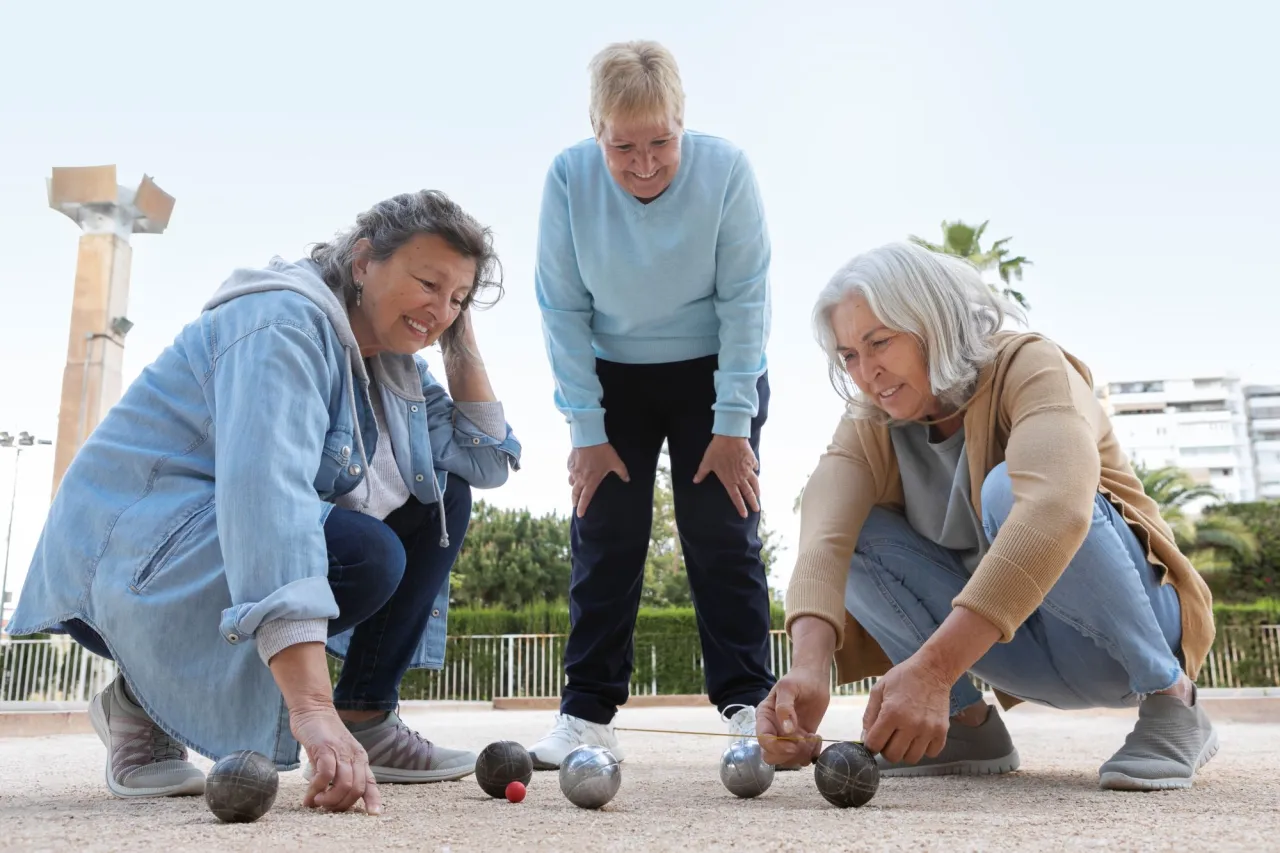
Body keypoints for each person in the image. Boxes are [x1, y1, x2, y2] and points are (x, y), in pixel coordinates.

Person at [7, 190, 522, 814]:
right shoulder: (282, 324)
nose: (439, 308)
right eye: (427, 283)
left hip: (209, 550)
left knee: (439, 496)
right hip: (125, 566)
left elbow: (486, 459)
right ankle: (138, 703)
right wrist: (310, 709)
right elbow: (268, 503)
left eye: (458, 298)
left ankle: (366, 717)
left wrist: (458, 338)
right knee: (365, 553)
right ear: (363, 262)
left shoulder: (397, 368)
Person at [756, 242, 1218, 791]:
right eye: (849, 355)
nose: (865, 372)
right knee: (856, 530)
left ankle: (1172, 701)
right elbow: (824, 539)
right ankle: (964, 725)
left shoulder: (1030, 365)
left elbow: (1055, 511)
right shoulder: (870, 419)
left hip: (1135, 634)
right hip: (1015, 649)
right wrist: (809, 667)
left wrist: (931, 670)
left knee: (1011, 489)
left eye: (879, 342)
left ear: (933, 322)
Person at [528, 39, 776, 768]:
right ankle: (586, 714)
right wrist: (585, 426)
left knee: (723, 534)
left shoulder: (726, 169)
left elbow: (746, 300)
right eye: (622, 145)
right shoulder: (569, 177)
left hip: (715, 372)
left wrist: (733, 423)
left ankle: (747, 705)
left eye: (660, 142)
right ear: (596, 130)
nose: (643, 163)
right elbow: (562, 307)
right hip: (612, 378)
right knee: (604, 536)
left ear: (682, 120)